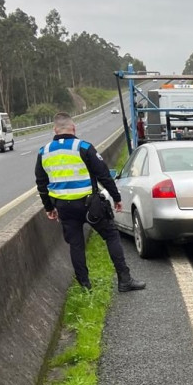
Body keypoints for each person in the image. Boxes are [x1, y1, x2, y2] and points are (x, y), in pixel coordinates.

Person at [35, 112, 146, 292]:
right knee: (111, 235)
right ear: (74, 128)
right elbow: (103, 175)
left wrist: (49, 207)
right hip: (89, 205)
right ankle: (125, 280)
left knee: (76, 245)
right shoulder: (83, 147)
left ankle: (86, 287)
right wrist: (116, 198)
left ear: (54, 130)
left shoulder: (44, 152)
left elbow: (41, 183)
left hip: (63, 207)